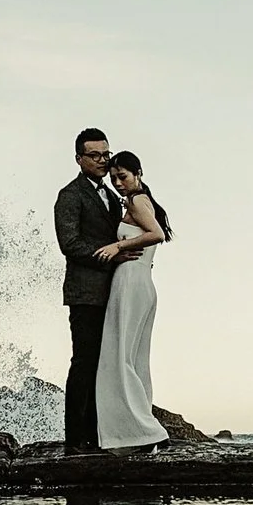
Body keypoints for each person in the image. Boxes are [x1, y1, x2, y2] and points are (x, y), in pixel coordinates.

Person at [53, 129, 125, 451]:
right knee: (85, 362)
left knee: (106, 364)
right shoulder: (69, 195)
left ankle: (98, 436)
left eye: (106, 154)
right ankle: (75, 439)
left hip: (114, 292)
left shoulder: (113, 195)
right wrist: (112, 254)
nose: (102, 160)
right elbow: (69, 244)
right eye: (94, 155)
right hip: (85, 293)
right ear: (79, 159)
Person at [93, 150, 169, 451]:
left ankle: (144, 431)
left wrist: (116, 246)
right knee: (134, 360)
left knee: (118, 356)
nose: (118, 183)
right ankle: (139, 433)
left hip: (130, 280)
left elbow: (156, 234)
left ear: (138, 173)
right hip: (142, 282)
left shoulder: (138, 200)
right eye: (113, 179)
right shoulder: (141, 201)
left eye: (122, 176)